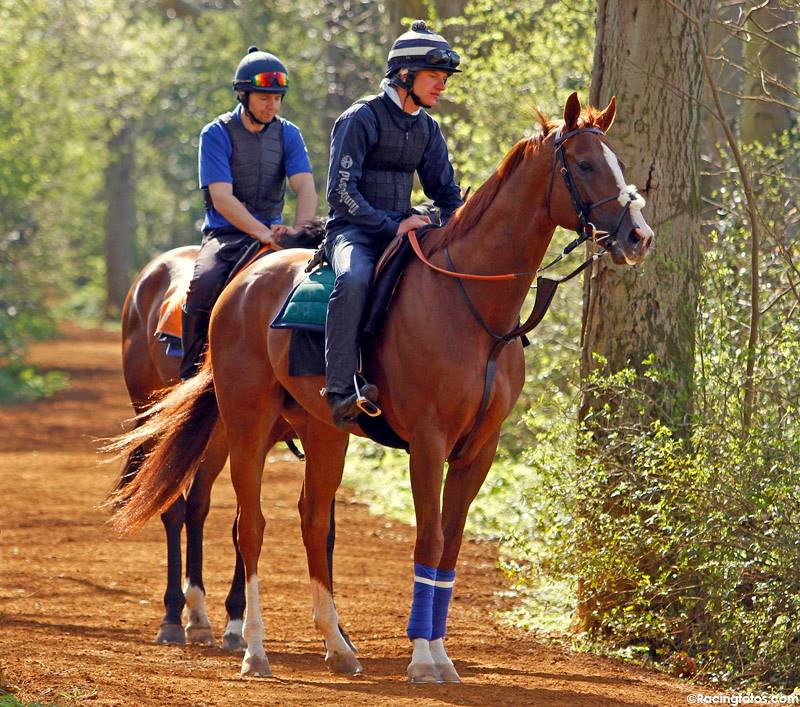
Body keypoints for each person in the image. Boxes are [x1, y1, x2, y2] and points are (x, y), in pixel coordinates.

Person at [323, 20, 463, 428]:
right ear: (405, 75)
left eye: (444, 78)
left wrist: (459, 225)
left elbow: (446, 192)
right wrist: (391, 225)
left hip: (404, 229)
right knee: (353, 281)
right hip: (353, 231)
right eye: (434, 77)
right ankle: (340, 390)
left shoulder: (427, 128)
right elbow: (340, 192)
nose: (441, 86)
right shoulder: (359, 118)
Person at [181, 46, 317, 379]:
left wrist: (299, 233)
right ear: (243, 96)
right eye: (263, 98)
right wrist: (263, 234)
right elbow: (221, 198)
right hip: (226, 234)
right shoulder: (215, 134)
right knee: (204, 284)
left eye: (277, 99)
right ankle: (191, 372)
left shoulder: (289, 134)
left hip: (277, 234)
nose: (272, 106)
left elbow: (306, 188)